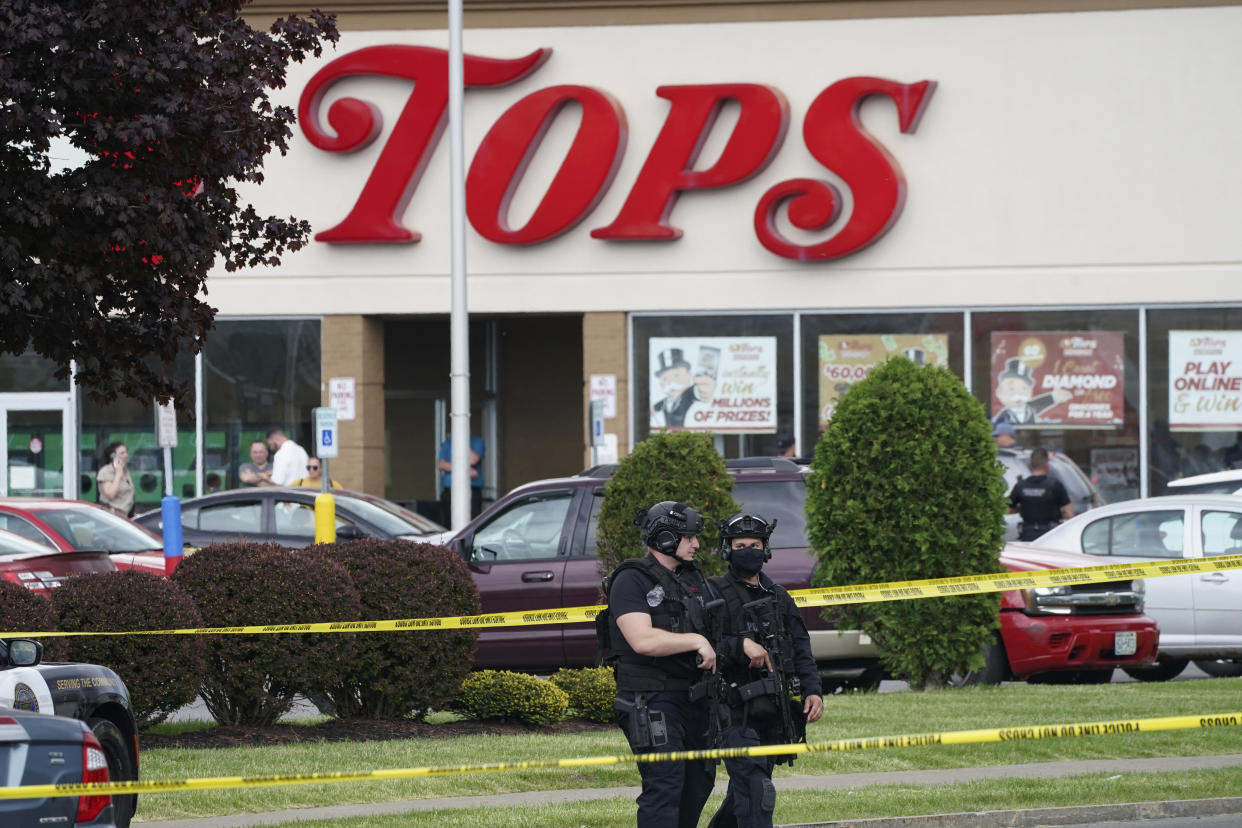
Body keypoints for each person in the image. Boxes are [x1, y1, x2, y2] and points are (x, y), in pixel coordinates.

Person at [602, 501, 725, 828]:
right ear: (665, 537)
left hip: (695, 698)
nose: (695, 544)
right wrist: (696, 642)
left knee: (699, 782)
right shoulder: (631, 579)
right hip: (651, 698)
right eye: (688, 538)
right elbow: (642, 640)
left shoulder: (691, 579)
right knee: (665, 784)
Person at [707, 512, 823, 828]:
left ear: (765, 548)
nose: (748, 550)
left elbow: (801, 648)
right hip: (733, 710)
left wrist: (813, 691)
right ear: (727, 549)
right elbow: (698, 647)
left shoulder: (779, 596)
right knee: (758, 791)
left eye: (755, 544)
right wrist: (739, 645)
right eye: (740, 544)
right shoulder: (713, 593)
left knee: (746, 793)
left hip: (773, 709)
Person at [1008, 448, 1074, 541]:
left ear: (1030, 464)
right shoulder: (1055, 485)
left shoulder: (1021, 486)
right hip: (1050, 535)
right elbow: (1069, 513)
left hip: (1028, 534)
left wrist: (1021, 508)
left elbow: (1008, 509)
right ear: (1047, 465)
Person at [992, 357, 1071, 425]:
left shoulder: (1029, 409)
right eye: (1011, 389)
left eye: (1024, 388)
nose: (1019, 393)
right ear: (999, 393)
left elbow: (1038, 404)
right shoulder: (1003, 416)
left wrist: (1054, 397)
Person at [651, 348, 716, 429]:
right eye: (664, 378)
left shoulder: (689, 393)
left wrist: (705, 386)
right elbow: (655, 407)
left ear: (688, 375)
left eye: (676, 375)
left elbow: (700, 392)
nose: (670, 382)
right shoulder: (666, 401)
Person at [437, 435, 485, 520]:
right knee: (449, 521)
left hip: (472, 489)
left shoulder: (478, 441)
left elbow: (473, 460)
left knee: (472, 521)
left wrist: (463, 443)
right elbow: (441, 465)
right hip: (450, 489)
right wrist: (465, 470)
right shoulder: (448, 443)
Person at [96, 442, 134, 517]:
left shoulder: (125, 471)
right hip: (112, 515)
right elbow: (111, 494)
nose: (125, 455)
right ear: (113, 456)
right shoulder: (106, 471)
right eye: (122, 453)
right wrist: (118, 474)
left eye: (126, 452)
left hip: (126, 514)